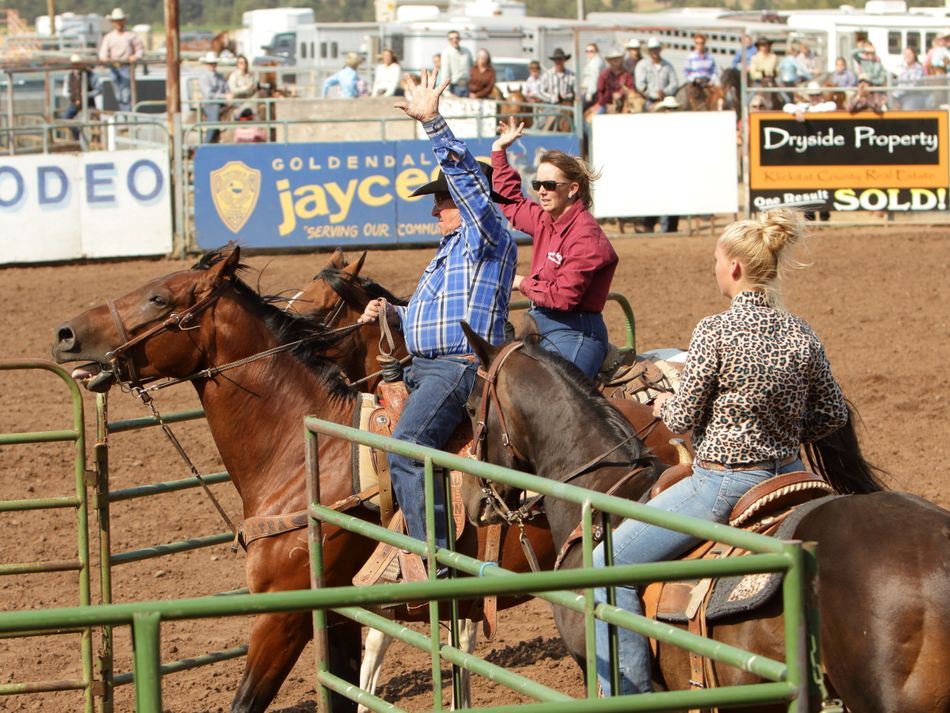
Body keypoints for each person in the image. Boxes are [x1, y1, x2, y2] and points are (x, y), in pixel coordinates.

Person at [593, 208, 849, 697]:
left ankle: (624, 703)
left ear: (733, 267)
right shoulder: (800, 331)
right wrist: (788, 428)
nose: (714, 267)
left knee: (607, 567)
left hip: (724, 482)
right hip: (791, 475)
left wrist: (667, 401)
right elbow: (833, 414)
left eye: (715, 259)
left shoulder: (715, 330)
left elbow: (683, 419)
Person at [357, 70, 517, 560]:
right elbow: (428, 313)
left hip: (459, 366)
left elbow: (471, 187)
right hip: (422, 365)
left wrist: (434, 123)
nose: (435, 211)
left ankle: (436, 560)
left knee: (408, 445)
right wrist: (393, 312)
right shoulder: (447, 253)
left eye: (441, 201)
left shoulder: (486, 237)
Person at [491, 117, 618, 379]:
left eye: (550, 185)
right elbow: (511, 202)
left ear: (573, 189)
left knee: (559, 397)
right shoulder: (546, 219)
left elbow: (564, 297)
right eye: (537, 185)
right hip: (540, 324)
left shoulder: (586, 237)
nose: (542, 192)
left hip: (577, 330)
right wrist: (499, 151)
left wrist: (521, 283)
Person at [98, 7, 143, 112]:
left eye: (120, 20)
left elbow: (140, 50)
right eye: (116, 21)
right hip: (113, 67)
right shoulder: (109, 37)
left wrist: (135, 57)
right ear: (113, 22)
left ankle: (126, 118)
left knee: (125, 94)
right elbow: (103, 53)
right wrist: (106, 59)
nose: (118, 23)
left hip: (126, 66)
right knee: (119, 95)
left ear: (123, 21)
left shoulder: (131, 35)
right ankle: (125, 117)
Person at [62, 54, 99, 140]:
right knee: (66, 119)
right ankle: (78, 136)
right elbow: (65, 91)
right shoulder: (69, 76)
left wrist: (87, 95)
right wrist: (73, 96)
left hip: (89, 103)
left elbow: (99, 89)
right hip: (75, 103)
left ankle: (94, 140)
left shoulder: (91, 75)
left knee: (94, 121)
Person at [634, 39, 678, 110]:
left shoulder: (668, 66)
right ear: (648, 51)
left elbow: (674, 83)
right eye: (652, 50)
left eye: (656, 49)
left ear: (660, 50)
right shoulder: (642, 65)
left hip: (667, 99)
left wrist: (665, 92)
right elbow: (640, 85)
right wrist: (654, 94)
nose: (654, 52)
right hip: (648, 100)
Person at [198, 52, 230, 144]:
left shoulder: (220, 76)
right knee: (214, 118)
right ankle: (207, 143)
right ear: (206, 64)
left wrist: (229, 94)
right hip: (210, 104)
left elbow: (226, 87)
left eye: (214, 63)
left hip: (222, 102)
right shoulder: (204, 77)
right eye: (210, 63)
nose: (212, 65)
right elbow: (208, 95)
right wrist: (224, 96)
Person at [594, 48, 634, 113]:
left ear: (621, 59)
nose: (615, 60)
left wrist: (621, 94)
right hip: (607, 104)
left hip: (625, 103)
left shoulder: (627, 75)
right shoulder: (604, 75)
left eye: (618, 58)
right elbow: (600, 91)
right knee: (597, 118)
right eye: (613, 58)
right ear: (609, 61)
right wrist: (605, 105)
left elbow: (631, 89)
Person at [440, 30, 473, 97]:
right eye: (451, 39)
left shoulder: (467, 51)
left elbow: (472, 68)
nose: (454, 40)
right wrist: (447, 92)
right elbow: (445, 73)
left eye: (456, 38)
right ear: (449, 40)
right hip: (454, 88)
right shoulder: (446, 53)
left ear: (459, 39)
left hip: (468, 87)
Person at [581, 43, 607, 107]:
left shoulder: (595, 62)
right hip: (589, 90)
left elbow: (594, 79)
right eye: (587, 51)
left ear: (596, 51)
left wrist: (590, 93)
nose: (589, 53)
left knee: (577, 108)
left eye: (591, 51)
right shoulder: (593, 61)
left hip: (592, 92)